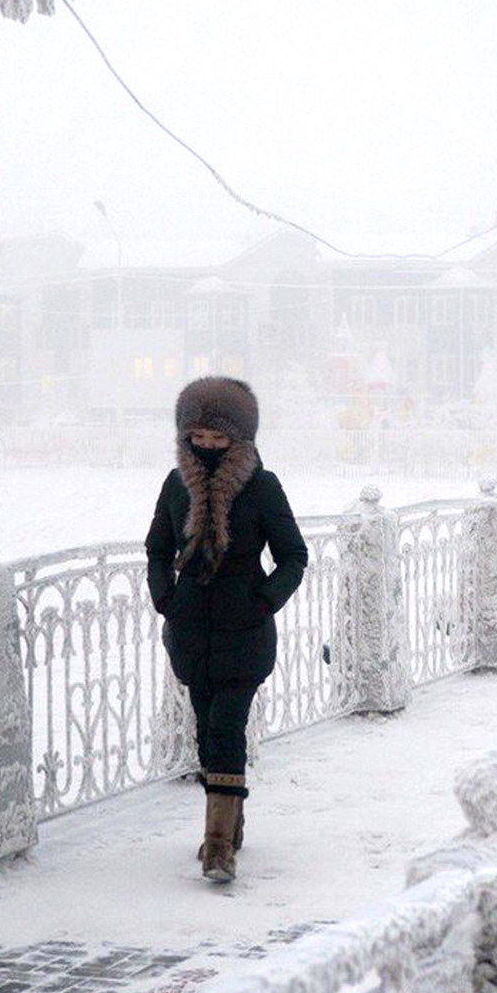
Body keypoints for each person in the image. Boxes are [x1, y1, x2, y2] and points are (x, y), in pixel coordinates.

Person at [145, 377, 308, 883]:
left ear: (242, 439)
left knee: (226, 729)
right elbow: (156, 547)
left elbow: (293, 556)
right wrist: (166, 598)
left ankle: (217, 846)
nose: (209, 446)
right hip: (191, 629)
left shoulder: (263, 487)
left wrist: (262, 601)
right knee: (205, 731)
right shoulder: (176, 486)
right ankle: (231, 819)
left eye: (220, 438)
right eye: (199, 436)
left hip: (244, 629)